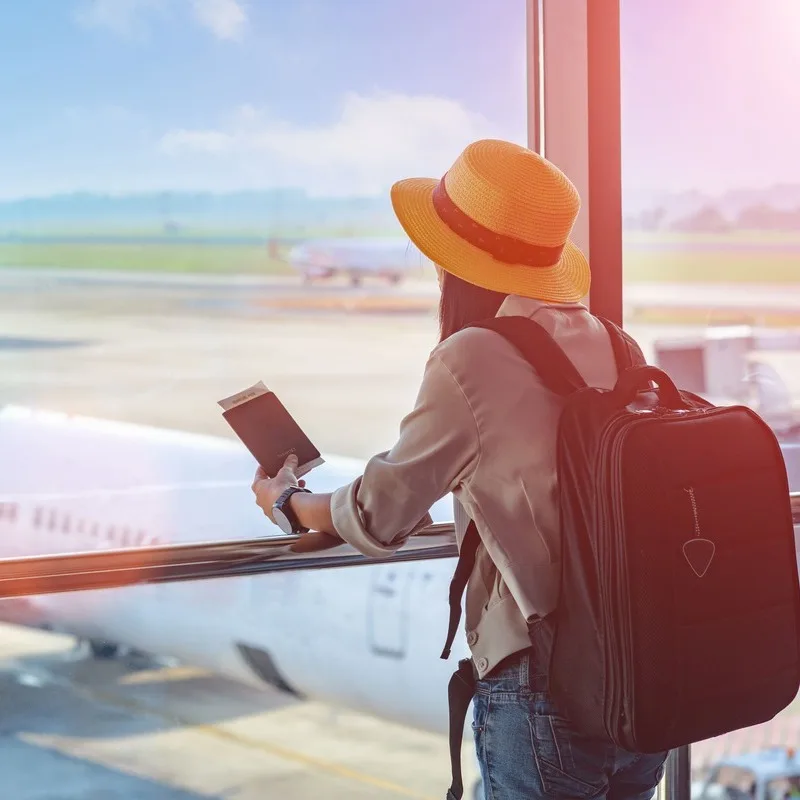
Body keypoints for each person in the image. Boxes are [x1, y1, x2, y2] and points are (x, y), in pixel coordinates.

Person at [251, 138, 669, 799]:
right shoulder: (619, 345)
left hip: (546, 684)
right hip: (641, 675)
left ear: (457, 264)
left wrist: (289, 502)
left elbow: (379, 515)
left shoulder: (473, 358)